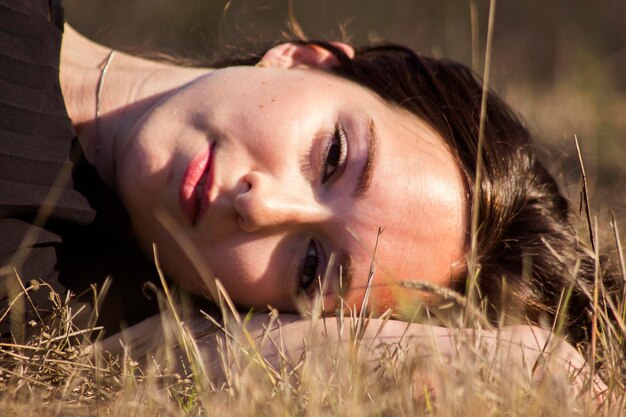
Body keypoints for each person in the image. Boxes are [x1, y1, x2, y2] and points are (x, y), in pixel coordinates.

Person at [0, 0, 618, 355]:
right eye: (331, 157)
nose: (262, 205)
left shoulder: (48, 303)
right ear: (306, 60)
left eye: (310, 266)